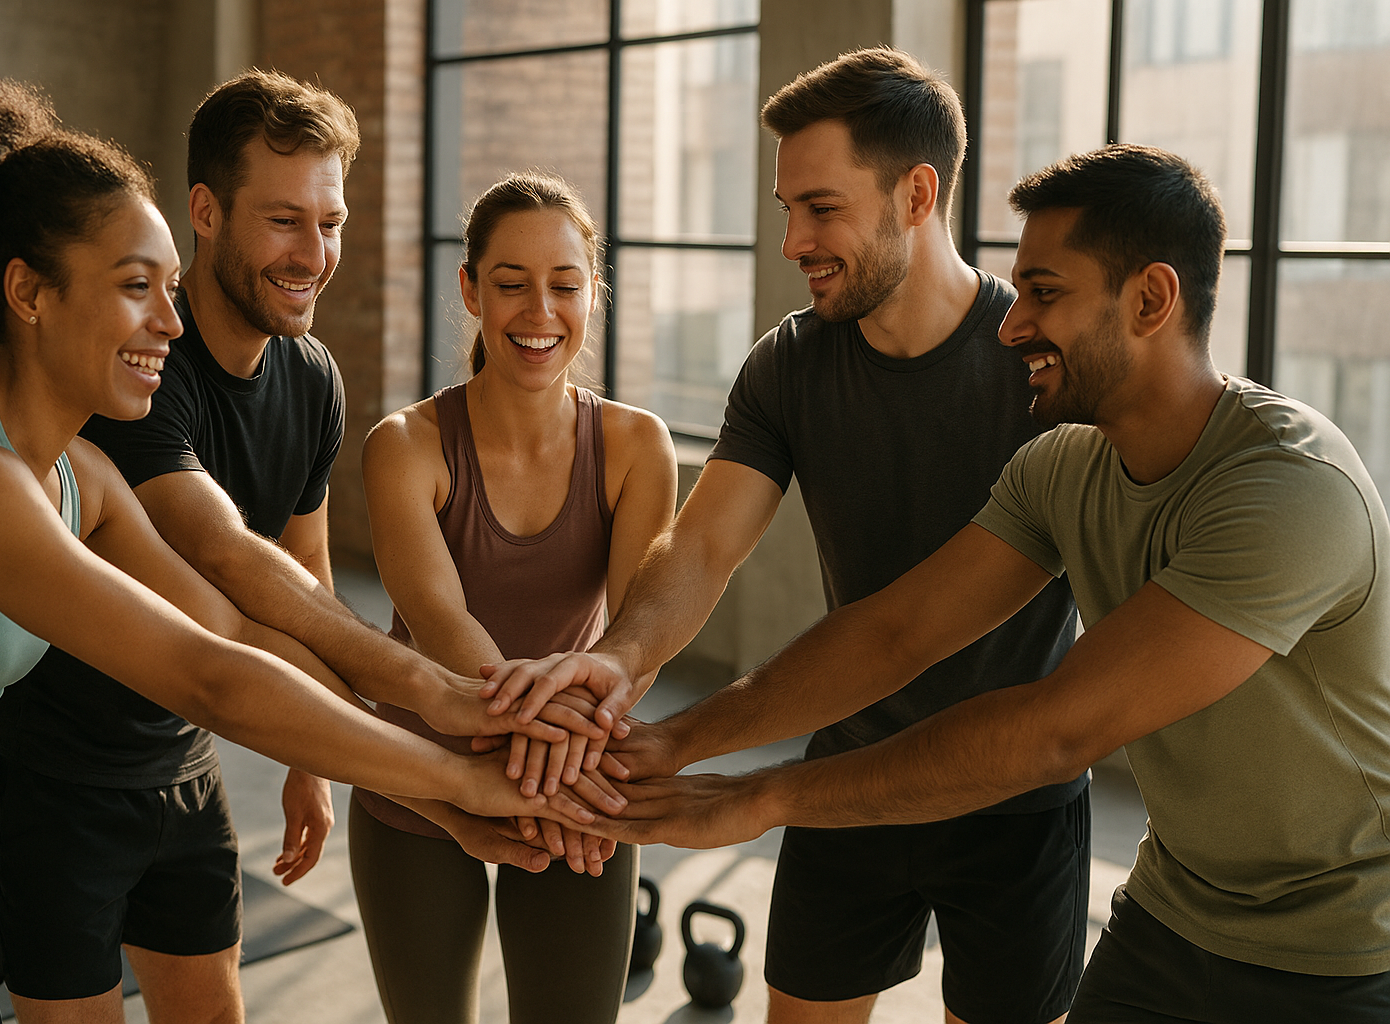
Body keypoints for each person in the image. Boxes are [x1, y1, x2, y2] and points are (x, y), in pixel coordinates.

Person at [568, 144, 1390, 1022]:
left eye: (1046, 293)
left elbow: (1051, 731)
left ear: (1151, 300)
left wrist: (761, 797)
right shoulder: (1062, 467)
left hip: (1345, 951)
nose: (1011, 326)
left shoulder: (1288, 491)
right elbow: (894, 634)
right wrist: (675, 742)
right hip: (1174, 917)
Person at [0, 76, 599, 1024]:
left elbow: (236, 630)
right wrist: (457, 754)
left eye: (168, 290)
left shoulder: (81, 475)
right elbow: (209, 670)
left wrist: (437, 776)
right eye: (138, 288)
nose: (171, 321)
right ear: (28, 292)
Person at [485, 48, 1084, 1024]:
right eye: (785, 209)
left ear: (918, 193)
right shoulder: (789, 364)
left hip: (1011, 795)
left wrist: (686, 743)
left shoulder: (1041, 367)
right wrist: (621, 658)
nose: (792, 239)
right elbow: (704, 545)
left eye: (821, 208)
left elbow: (906, 634)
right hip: (842, 776)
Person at [352, 171, 676, 1024]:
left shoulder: (639, 445)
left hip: (569, 777)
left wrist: (552, 764)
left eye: (565, 286)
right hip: (419, 776)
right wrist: (549, 738)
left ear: (592, 294)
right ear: (470, 290)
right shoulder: (406, 446)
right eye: (510, 285)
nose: (541, 312)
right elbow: (439, 621)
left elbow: (637, 635)